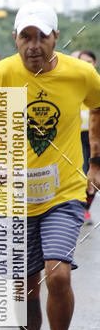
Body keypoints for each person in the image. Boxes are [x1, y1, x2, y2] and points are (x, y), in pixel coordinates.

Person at [0, 2, 100, 330]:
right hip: (15, 199)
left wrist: (96, 161)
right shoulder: (0, 75)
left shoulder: (80, 74)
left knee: (58, 275)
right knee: (23, 290)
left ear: (56, 38)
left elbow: (98, 106)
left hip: (63, 194)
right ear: (15, 39)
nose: (34, 45)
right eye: (26, 36)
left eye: (42, 36)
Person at [74, 49, 98, 224]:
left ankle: (86, 208)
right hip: (78, 136)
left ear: (95, 63)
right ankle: (79, 209)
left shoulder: (97, 84)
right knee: (83, 172)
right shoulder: (72, 84)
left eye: (88, 62)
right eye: (81, 62)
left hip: (96, 137)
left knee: (95, 176)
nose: (85, 65)